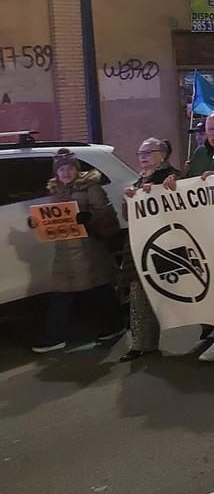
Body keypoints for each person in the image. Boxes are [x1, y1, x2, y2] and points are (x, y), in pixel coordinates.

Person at [163, 111, 214, 361]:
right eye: (210, 129)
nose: (213, 133)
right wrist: (173, 182)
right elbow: (187, 184)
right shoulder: (200, 153)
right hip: (204, 230)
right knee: (210, 283)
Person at [27, 149, 124, 354]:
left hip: (89, 247)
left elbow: (106, 215)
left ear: (76, 169)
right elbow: (53, 219)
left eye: (69, 167)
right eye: (61, 169)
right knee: (62, 291)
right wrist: (37, 222)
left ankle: (114, 325)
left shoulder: (91, 188)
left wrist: (89, 217)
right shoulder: (55, 191)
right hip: (65, 249)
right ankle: (54, 336)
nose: (65, 172)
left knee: (99, 287)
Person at [119, 138, 181, 362]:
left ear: (162, 155)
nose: (142, 156)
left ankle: (211, 332)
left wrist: (159, 192)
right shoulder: (138, 181)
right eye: (140, 153)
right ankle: (141, 343)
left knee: (186, 289)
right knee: (138, 291)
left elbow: (182, 206)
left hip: (168, 246)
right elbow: (130, 218)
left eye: (148, 152)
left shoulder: (173, 177)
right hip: (141, 247)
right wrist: (129, 201)